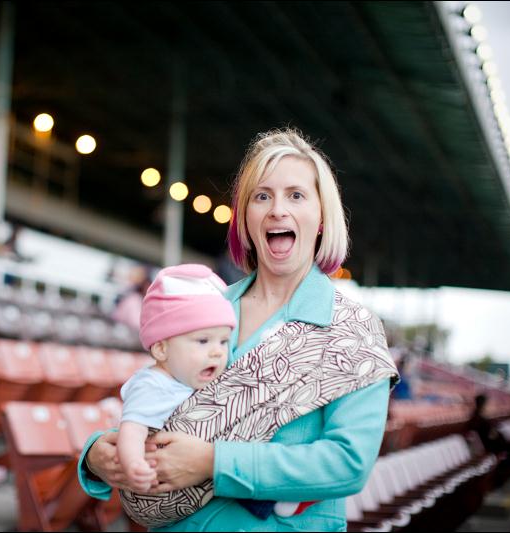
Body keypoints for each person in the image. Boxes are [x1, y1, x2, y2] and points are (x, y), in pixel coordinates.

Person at [78, 127, 398, 531]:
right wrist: (97, 455)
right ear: (245, 217)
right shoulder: (203, 305)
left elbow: (347, 464)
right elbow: (158, 401)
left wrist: (213, 461)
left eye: (296, 195)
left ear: (321, 218)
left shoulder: (353, 329)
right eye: (262, 196)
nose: (277, 209)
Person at [118, 263, 295, 519]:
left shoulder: (194, 377)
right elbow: (131, 429)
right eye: (203, 341)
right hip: (173, 476)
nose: (217, 351)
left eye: (223, 341)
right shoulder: (152, 386)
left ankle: (270, 495)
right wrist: (133, 464)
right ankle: (268, 499)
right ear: (161, 349)